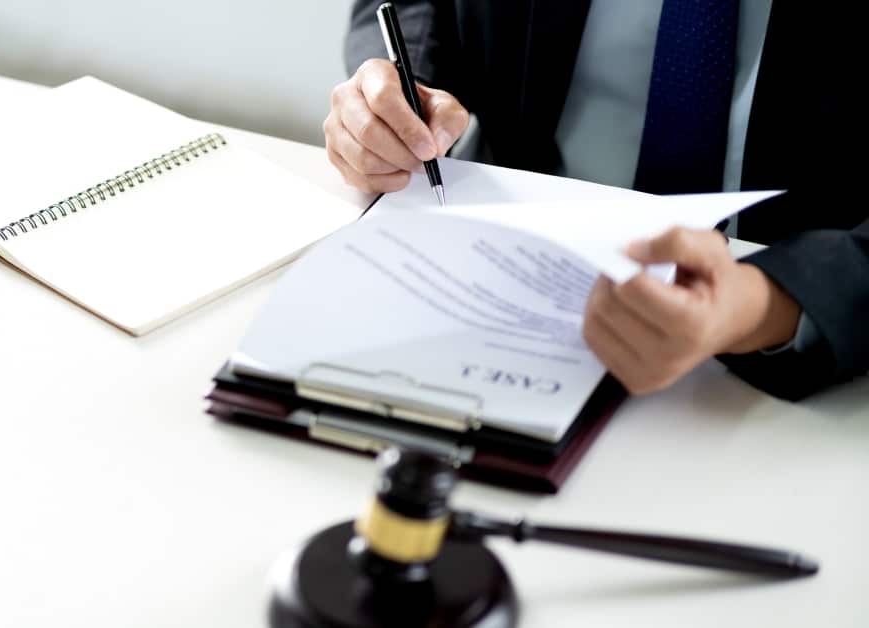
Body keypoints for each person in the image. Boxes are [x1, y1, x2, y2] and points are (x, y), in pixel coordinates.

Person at [327, 0, 868, 401]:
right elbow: (417, 9)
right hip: (503, 272)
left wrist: (766, 302)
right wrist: (398, 94)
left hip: (775, 345)